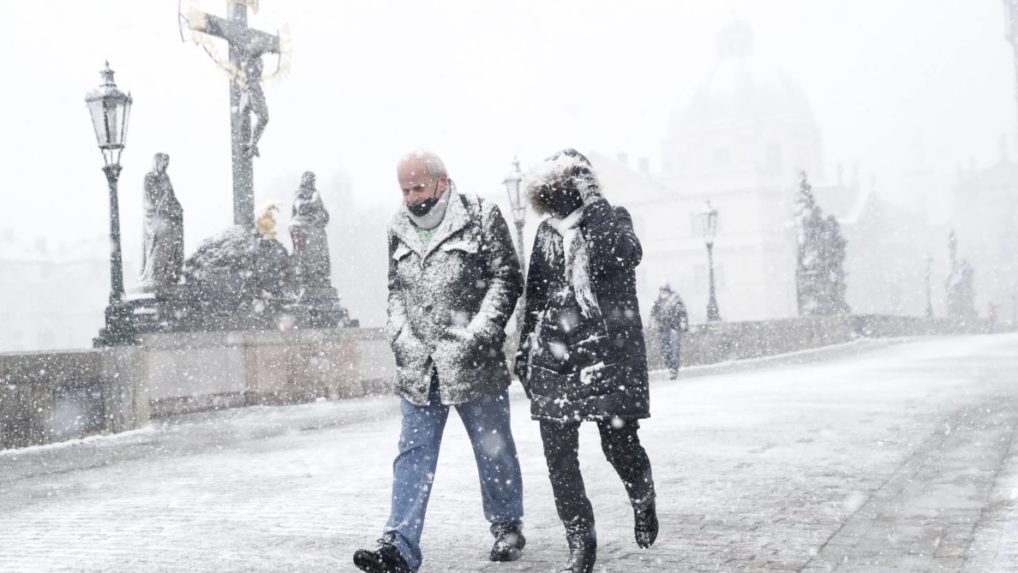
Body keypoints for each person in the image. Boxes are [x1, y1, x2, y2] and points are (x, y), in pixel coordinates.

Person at [353, 151, 526, 573]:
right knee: (412, 454)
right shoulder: (397, 227)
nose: (411, 197)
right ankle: (399, 545)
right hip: (419, 365)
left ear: (442, 182)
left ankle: (507, 524)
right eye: (405, 189)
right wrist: (400, 336)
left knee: (493, 449)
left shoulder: (481, 216)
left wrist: (479, 332)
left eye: (418, 187)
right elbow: (394, 292)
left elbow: (507, 278)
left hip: (472, 358)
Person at [515, 149, 658, 573]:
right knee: (559, 458)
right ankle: (581, 542)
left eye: (573, 181)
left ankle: (642, 495)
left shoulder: (614, 219)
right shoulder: (544, 233)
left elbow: (619, 255)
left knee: (619, 446)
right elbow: (535, 296)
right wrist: (525, 352)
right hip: (555, 359)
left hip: (606, 355)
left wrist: (594, 200)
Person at [139, 153, 184, 291]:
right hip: (157, 218)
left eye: (167, 162)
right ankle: (155, 275)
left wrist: (177, 207)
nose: (165, 165)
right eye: (163, 162)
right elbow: (149, 199)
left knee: (172, 242)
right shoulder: (149, 177)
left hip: (168, 216)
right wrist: (161, 205)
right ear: (157, 162)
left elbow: (171, 195)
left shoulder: (166, 178)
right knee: (159, 246)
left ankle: (170, 274)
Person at [288, 171, 331, 291]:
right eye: (308, 179)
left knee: (321, 257)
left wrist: (320, 217)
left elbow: (325, 214)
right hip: (304, 230)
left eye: (312, 179)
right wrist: (313, 202)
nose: (311, 182)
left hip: (317, 231)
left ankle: (320, 278)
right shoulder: (299, 193)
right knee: (304, 256)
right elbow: (300, 207)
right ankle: (306, 279)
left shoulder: (316, 194)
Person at [650, 283, 689, 379]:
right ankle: (670, 367)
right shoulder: (657, 302)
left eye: (664, 290)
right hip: (663, 329)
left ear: (668, 291)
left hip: (674, 328)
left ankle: (674, 370)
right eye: (661, 290)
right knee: (664, 350)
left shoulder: (676, 300)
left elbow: (682, 312)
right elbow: (653, 315)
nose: (662, 293)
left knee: (674, 350)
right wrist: (652, 324)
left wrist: (683, 323)